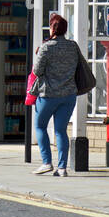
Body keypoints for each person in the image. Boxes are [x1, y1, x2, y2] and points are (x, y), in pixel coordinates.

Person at [29, 13, 82, 177]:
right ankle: (62, 168)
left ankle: (46, 163)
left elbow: (37, 71)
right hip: (69, 95)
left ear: (53, 28)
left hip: (48, 95)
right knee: (60, 130)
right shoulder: (73, 46)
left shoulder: (47, 47)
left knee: (40, 126)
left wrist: (40, 53)